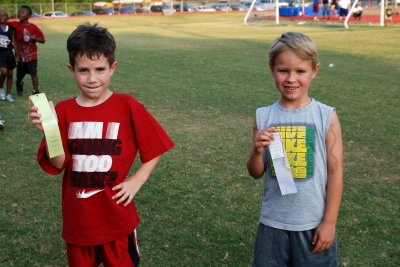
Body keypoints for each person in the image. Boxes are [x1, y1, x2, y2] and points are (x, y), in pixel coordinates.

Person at [30, 23, 174, 266]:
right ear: (71, 70)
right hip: (79, 223)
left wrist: (136, 181)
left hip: (117, 220)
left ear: (112, 68)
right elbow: (59, 163)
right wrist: (50, 130)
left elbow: (156, 146)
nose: (93, 78)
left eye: (100, 69)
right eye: (84, 70)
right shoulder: (63, 111)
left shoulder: (127, 105)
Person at [247, 32, 343, 266]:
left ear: (314, 71)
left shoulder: (325, 116)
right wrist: (257, 152)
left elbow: (336, 171)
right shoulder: (264, 115)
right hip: (273, 223)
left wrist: (329, 223)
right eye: (283, 71)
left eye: (300, 71)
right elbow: (255, 172)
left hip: (312, 224)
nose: (291, 79)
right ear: (272, 69)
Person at [7, 5, 45, 96]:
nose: (20, 13)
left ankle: (35, 90)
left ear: (29, 16)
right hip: (20, 56)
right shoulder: (14, 24)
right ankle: (19, 84)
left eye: (23, 12)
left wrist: (32, 37)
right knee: (20, 75)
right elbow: (3, 22)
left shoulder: (33, 27)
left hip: (32, 55)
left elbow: (43, 40)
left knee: (33, 72)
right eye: (19, 11)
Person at [0, 10, 18, 102]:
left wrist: (17, 54)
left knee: (10, 74)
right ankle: (1, 87)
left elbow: (14, 42)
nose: (2, 17)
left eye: (4, 16)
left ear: (7, 17)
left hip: (9, 53)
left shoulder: (10, 29)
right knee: (4, 72)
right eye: (0, 16)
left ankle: (8, 94)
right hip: (0, 53)